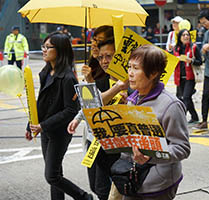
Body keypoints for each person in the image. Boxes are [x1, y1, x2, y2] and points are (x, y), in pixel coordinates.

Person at [24, 32, 93, 200]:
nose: (44, 50)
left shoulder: (68, 77)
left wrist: (43, 125)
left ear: (60, 50)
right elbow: (41, 102)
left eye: (48, 47)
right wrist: (31, 124)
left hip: (59, 132)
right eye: (43, 47)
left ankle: (84, 197)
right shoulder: (46, 72)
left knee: (52, 176)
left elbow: (71, 110)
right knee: (55, 173)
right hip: (46, 130)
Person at [121, 44, 191, 200]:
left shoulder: (170, 105)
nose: (130, 73)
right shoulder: (132, 101)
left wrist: (151, 156)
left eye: (136, 68)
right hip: (133, 179)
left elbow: (182, 147)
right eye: (129, 67)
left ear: (153, 73)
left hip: (159, 184)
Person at [70, 26, 118, 200]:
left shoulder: (121, 78)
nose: (94, 44)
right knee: (96, 185)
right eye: (94, 40)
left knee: (105, 187)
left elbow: (100, 101)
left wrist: (91, 83)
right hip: (94, 135)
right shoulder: (93, 65)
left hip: (113, 138)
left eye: (99, 40)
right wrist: (78, 118)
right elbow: (89, 103)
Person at [174, 29, 202, 124]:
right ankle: (194, 117)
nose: (186, 37)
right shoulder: (176, 49)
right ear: (180, 37)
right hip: (179, 77)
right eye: (184, 35)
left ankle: (181, 119)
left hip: (190, 77)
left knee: (185, 97)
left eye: (187, 35)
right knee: (187, 98)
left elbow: (200, 61)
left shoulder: (193, 48)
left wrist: (191, 61)